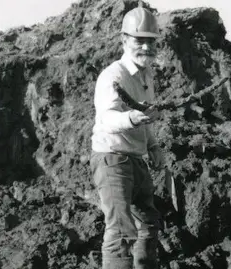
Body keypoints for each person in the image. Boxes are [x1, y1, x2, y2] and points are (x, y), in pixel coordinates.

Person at [90, 4, 164, 269]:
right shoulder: (112, 76)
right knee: (121, 228)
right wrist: (130, 118)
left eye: (150, 42)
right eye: (139, 41)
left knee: (148, 221)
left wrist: (153, 145)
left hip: (135, 157)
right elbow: (106, 118)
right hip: (112, 158)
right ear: (124, 40)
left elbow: (145, 114)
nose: (146, 47)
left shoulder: (147, 76)